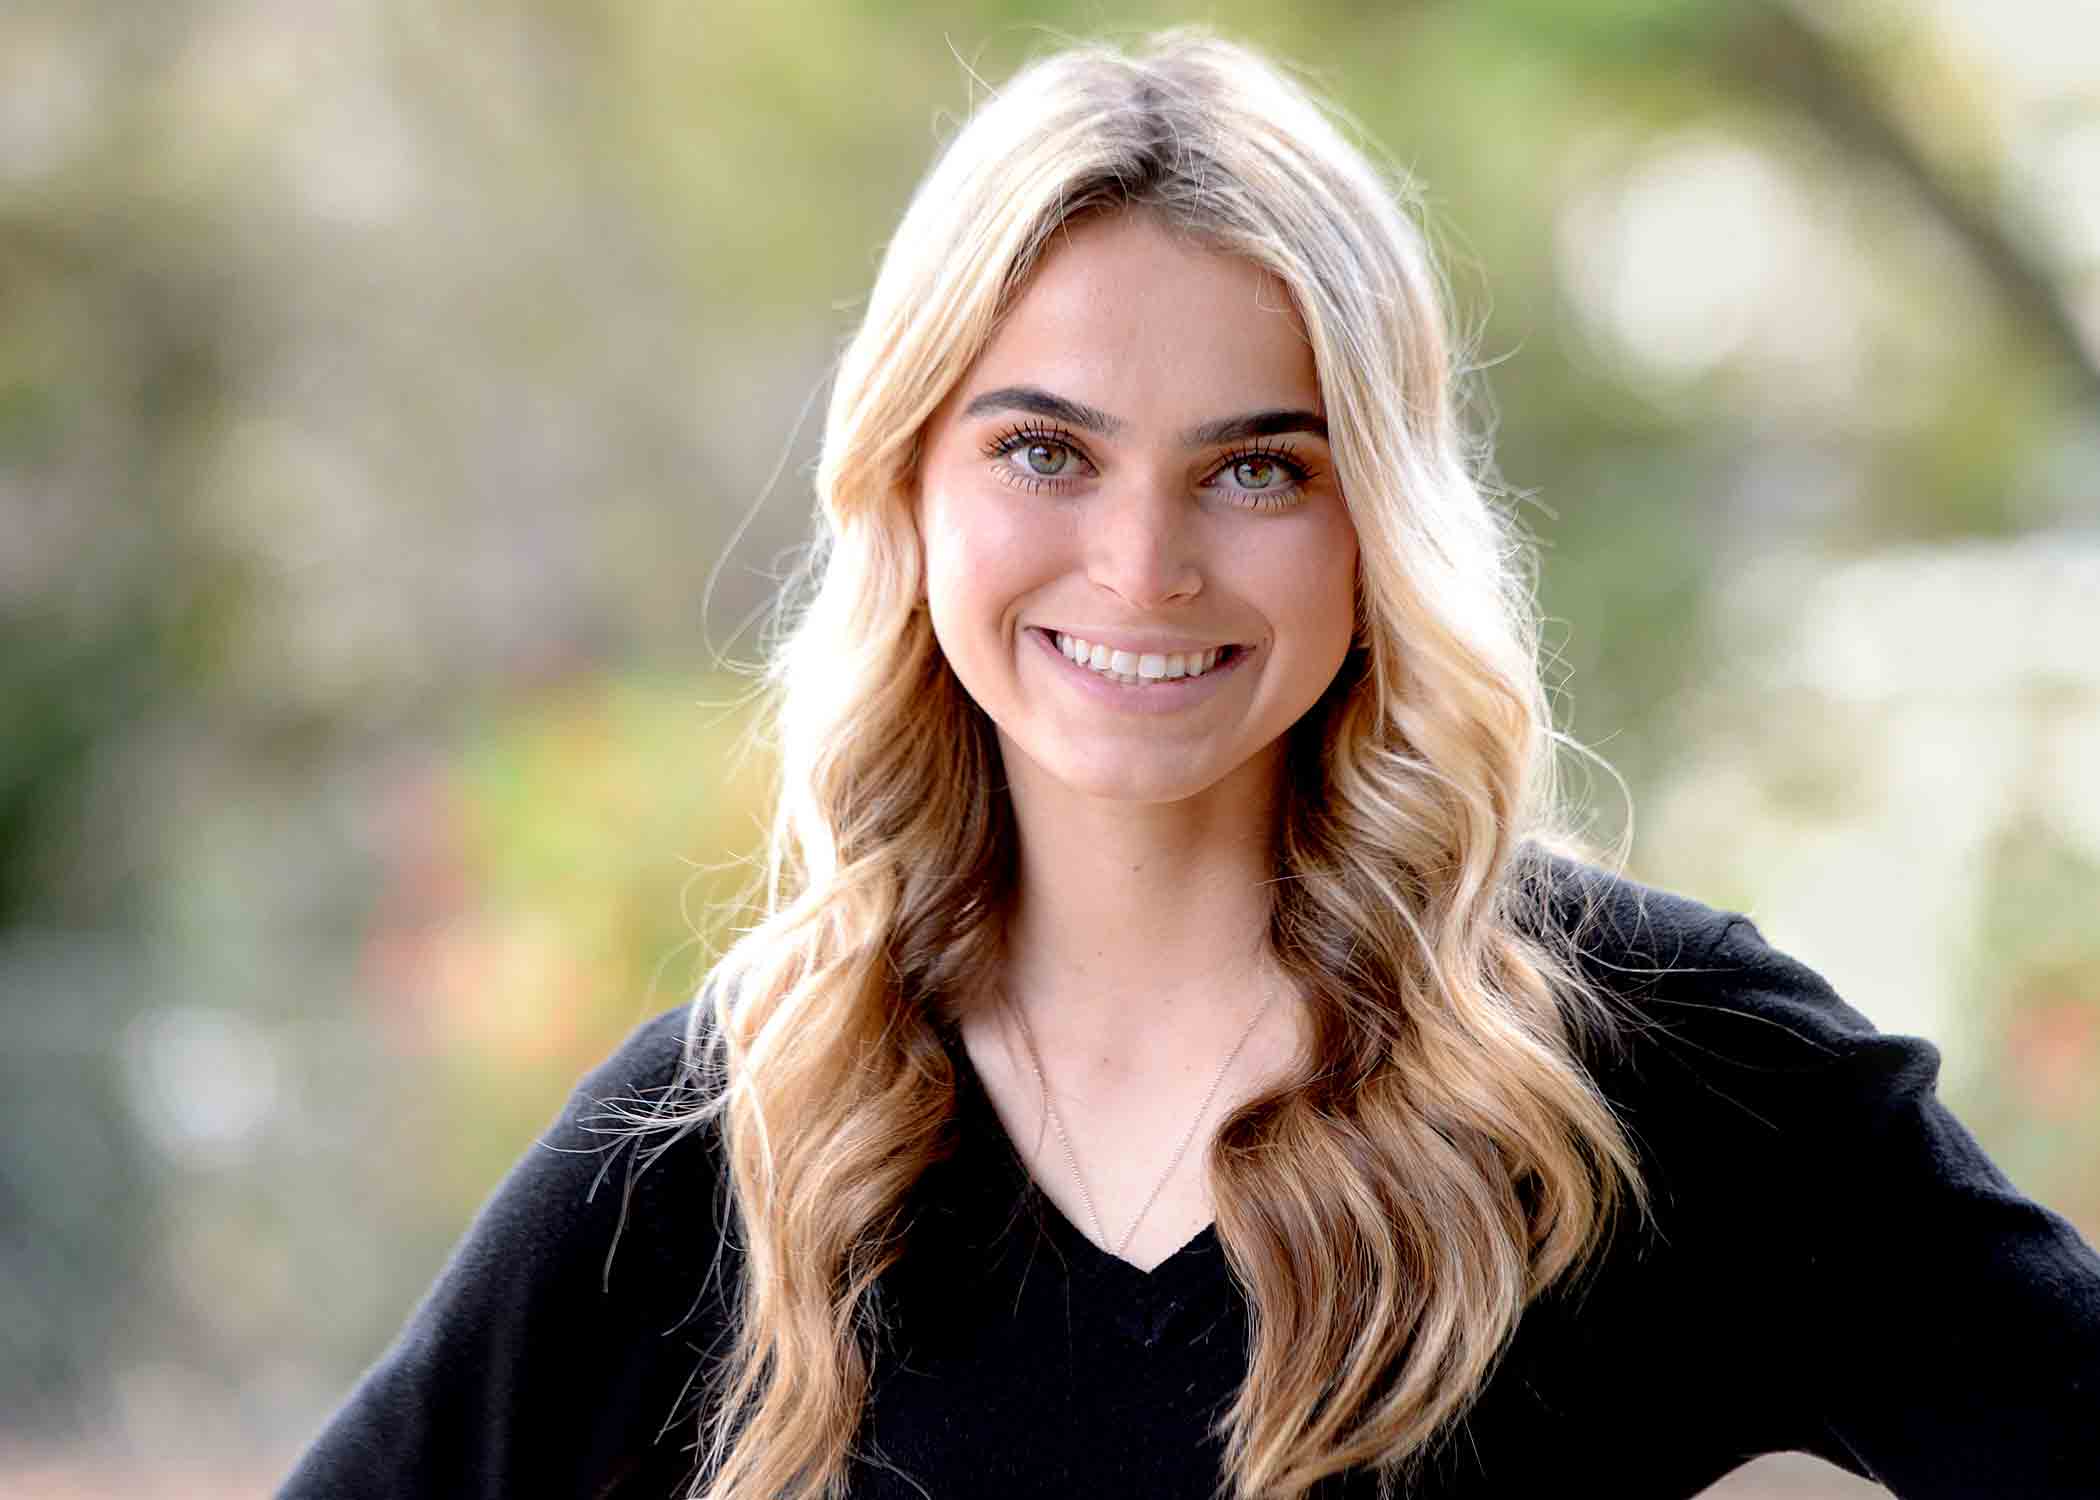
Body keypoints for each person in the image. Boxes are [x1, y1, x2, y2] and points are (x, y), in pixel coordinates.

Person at [279, 27, 2100, 1500]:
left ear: (1373, 519)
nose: (1143, 566)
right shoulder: (734, 1144)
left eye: (1258, 469)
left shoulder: (1661, 1069)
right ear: (909, 480)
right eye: (1045, 453)